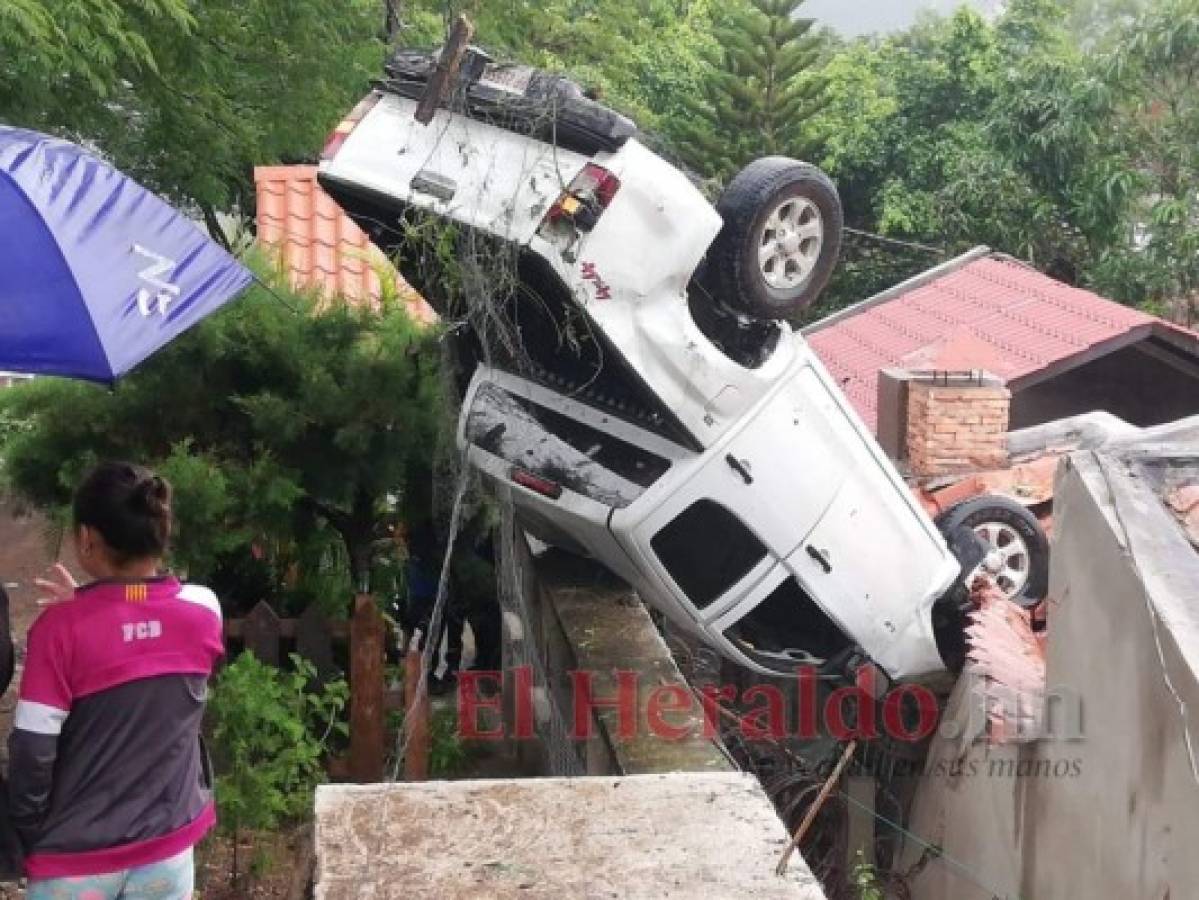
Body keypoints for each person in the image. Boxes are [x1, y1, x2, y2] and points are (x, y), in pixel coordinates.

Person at [8, 462, 223, 899]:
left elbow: (33, 750)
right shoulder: (204, 610)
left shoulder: (59, 631)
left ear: (87, 538)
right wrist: (96, 604)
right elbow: (147, 626)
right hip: (166, 850)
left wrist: (29, 831)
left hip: (73, 860)